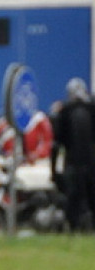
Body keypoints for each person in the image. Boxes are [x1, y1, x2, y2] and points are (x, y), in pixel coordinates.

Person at [51, 77, 95, 232]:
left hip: (72, 163)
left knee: (72, 199)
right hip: (91, 163)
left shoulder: (64, 112)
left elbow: (56, 144)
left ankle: (73, 227)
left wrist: (53, 170)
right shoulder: (91, 109)